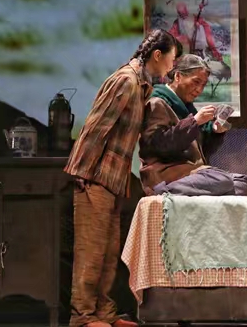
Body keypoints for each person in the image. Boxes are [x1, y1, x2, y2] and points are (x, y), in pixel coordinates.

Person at [64, 29, 180, 327]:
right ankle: (82, 316)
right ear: (157, 55)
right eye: (172, 59)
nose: (172, 66)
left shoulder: (142, 86)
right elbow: (95, 127)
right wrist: (81, 172)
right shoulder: (126, 81)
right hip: (95, 175)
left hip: (114, 178)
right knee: (91, 250)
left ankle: (104, 311)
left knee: (109, 251)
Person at [139, 54, 247, 196]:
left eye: (203, 85)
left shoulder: (187, 107)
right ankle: (164, 191)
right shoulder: (157, 102)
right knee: (224, 181)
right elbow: (158, 146)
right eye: (196, 82)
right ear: (178, 76)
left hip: (192, 174)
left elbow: (203, 150)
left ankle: (194, 193)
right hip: (166, 175)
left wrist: (215, 132)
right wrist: (194, 122)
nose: (199, 90)